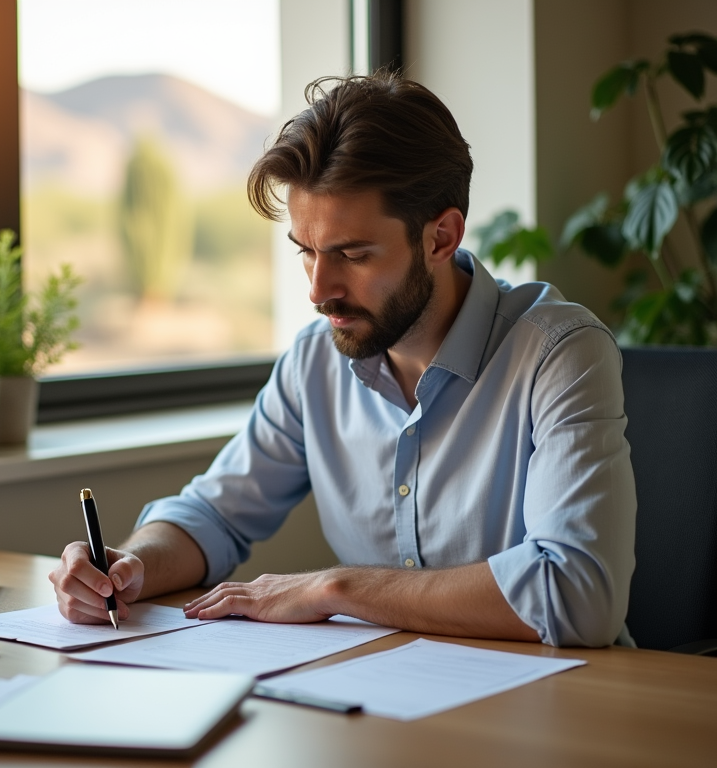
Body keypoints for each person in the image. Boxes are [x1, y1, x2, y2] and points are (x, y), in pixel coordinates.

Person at [49, 71, 636, 648]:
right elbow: (215, 514)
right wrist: (130, 566)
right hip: (382, 709)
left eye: (352, 254)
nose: (318, 289)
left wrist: (336, 589)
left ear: (441, 237)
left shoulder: (559, 353)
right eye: (307, 252)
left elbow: (576, 594)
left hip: (556, 715)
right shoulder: (314, 363)